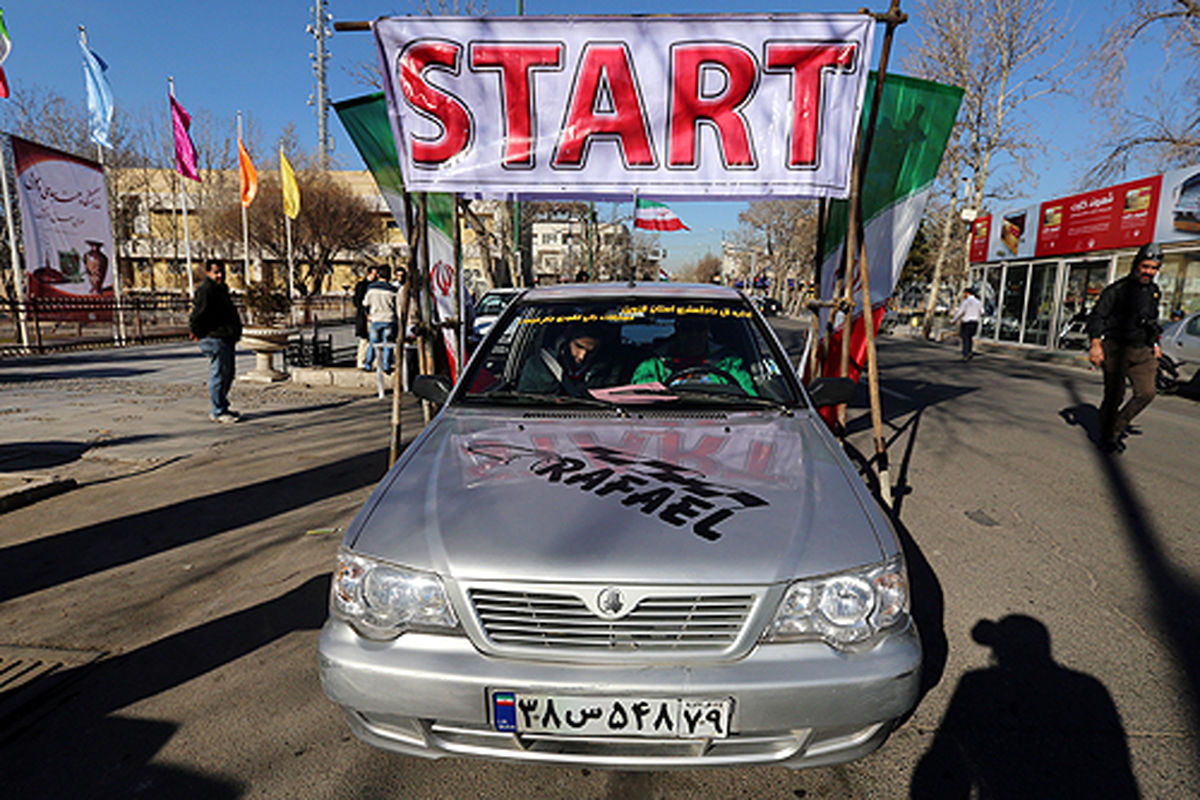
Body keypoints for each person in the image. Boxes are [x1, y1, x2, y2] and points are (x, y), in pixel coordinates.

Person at [1087, 242, 1163, 453]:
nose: (1149, 271)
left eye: (1154, 268)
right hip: (1116, 348)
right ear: (1137, 264)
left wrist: (1156, 343)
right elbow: (1097, 317)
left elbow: (1152, 320)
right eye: (1145, 266)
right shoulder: (1117, 290)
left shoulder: (1154, 292)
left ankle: (1114, 428)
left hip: (1143, 350)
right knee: (1115, 395)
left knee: (1146, 393)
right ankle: (1107, 436)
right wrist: (1095, 344)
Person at [631, 315, 757, 395]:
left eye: (700, 327)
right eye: (687, 327)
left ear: (708, 330)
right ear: (677, 329)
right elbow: (641, 398)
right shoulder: (653, 365)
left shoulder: (729, 363)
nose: (693, 334)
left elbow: (749, 397)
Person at [189, 261, 243, 423]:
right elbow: (198, 314)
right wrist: (196, 331)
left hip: (226, 336)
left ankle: (222, 405)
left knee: (228, 373)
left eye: (221, 272)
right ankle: (218, 410)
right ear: (207, 273)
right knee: (219, 373)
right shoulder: (207, 290)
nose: (219, 276)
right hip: (215, 337)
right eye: (215, 273)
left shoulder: (220, 289)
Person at [517, 322, 615, 396]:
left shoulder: (609, 370)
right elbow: (524, 401)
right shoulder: (537, 366)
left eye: (591, 352)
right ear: (568, 340)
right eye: (579, 347)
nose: (582, 356)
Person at [363, 266, 398, 373]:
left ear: (378, 275)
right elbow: (396, 306)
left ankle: (368, 364)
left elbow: (365, 304)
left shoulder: (371, 288)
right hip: (389, 318)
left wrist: (367, 314)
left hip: (375, 318)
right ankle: (386, 365)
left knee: (373, 343)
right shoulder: (392, 289)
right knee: (387, 343)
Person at [352, 264, 378, 369]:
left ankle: (373, 361)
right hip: (365, 316)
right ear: (369, 273)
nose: (376, 276)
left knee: (374, 340)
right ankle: (361, 361)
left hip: (374, 315)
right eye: (374, 274)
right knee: (364, 340)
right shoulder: (362, 285)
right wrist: (365, 312)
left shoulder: (376, 285)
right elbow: (357, 301)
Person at [950, 287, 984, 360]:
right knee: (970, 337)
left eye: (964, 293)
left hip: (966, 321)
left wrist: (953, 320)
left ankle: (966, 353)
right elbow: (982, 312)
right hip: (975, 322)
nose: (964, 295)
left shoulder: (966, 302)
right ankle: (969, 351)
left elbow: (960, 312)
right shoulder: (978, 302)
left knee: (965, 337)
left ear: (967, 293)